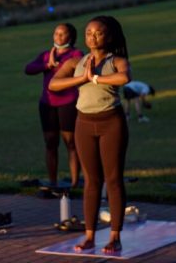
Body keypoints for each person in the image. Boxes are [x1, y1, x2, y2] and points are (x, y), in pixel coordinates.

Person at [49, 15, 130, 255]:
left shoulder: (116, 60)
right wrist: (81, 78)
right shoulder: (77, 61)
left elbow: (124, 78)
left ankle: (115, 236)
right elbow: (54, 83)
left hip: (111, 123)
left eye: (98, 32)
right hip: (84, 123)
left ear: (110, 36)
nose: (92, 37)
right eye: (88, 33)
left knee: (113, 179)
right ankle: (89, 236)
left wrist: (94, 78)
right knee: (92, 182)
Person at [24, 23, 83, 188]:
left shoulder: (75, 53)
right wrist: (47, 65)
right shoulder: (46, 55)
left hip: (68, 103)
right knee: (50, 143)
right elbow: (28, 69)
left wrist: (61, 65)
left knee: (70, 142)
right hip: (47, 104)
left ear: (70, 37)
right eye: (56, 33)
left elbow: (80, 65)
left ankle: (74, 182)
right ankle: (53, 182)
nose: (58, 36)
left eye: (62, 34)